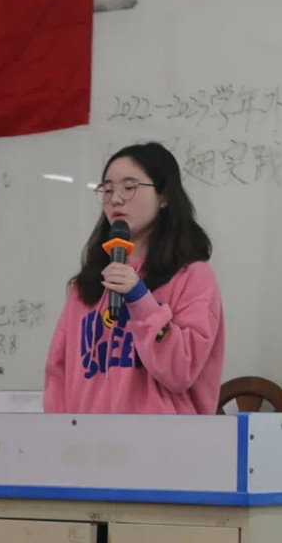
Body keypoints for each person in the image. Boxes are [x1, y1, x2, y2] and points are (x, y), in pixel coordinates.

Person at [43, 142, 225, 414]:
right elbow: (58, 374)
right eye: (107, 189)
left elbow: (181, 371)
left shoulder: (193, 277)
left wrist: (140, 299)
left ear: (164, 197)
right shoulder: (87, 285)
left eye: (129, 187)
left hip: (162, 437)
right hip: (87, 438)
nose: (116, 199)